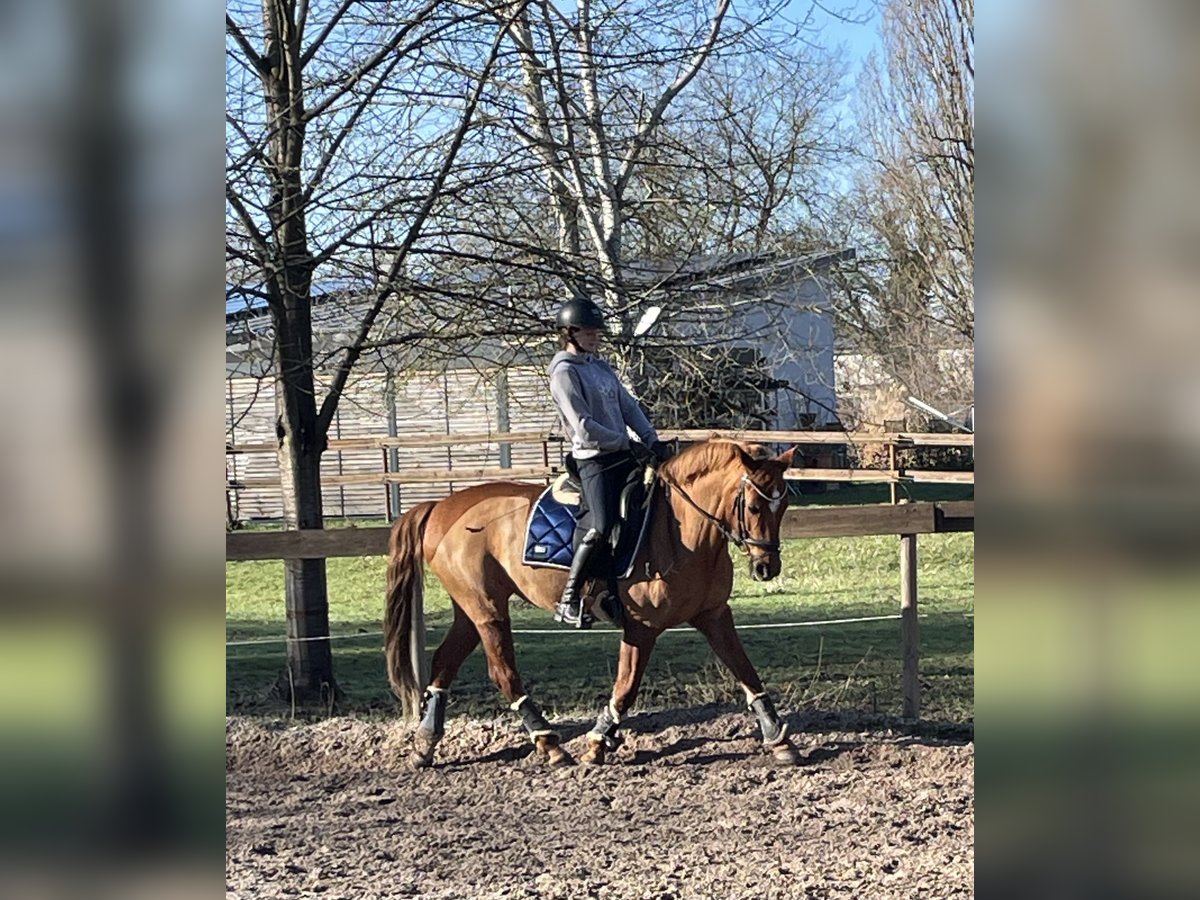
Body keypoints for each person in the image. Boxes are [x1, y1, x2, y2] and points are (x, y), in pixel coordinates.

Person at [548, 297, 674, 628]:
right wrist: (625, 441)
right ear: (570, 333)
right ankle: (570, 598)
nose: (596, 337)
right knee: (601, 525)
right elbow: (584, 426)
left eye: (597, 332)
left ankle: (621, 588)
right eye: (589, 332)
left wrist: (650, 438)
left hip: (623, 453)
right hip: (594, 459)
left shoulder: (600, 368)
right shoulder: (563, 374)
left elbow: (628, 406)